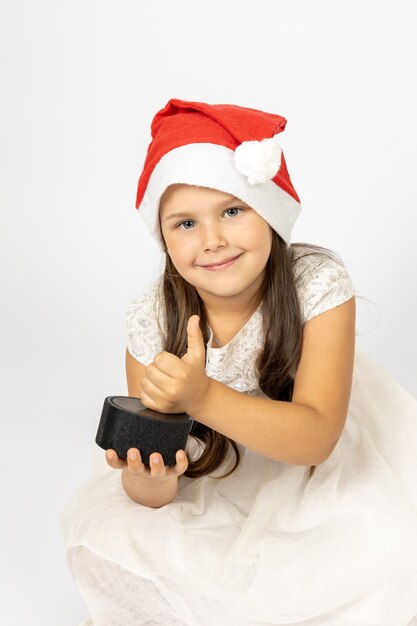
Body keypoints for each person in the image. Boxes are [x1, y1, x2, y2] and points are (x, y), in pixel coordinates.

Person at [59, 99, 417, 626]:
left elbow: (315, 438)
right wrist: (149, 474)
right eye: (185, 223)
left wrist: (202, 394)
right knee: (111, 548)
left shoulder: (317, 284)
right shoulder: (152, 319)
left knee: (382, 548)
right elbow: (160, 489)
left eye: (232, 210)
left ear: (269, 211)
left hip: (313, 459)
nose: (212, 241)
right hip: (214, 469)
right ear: (164, 239)